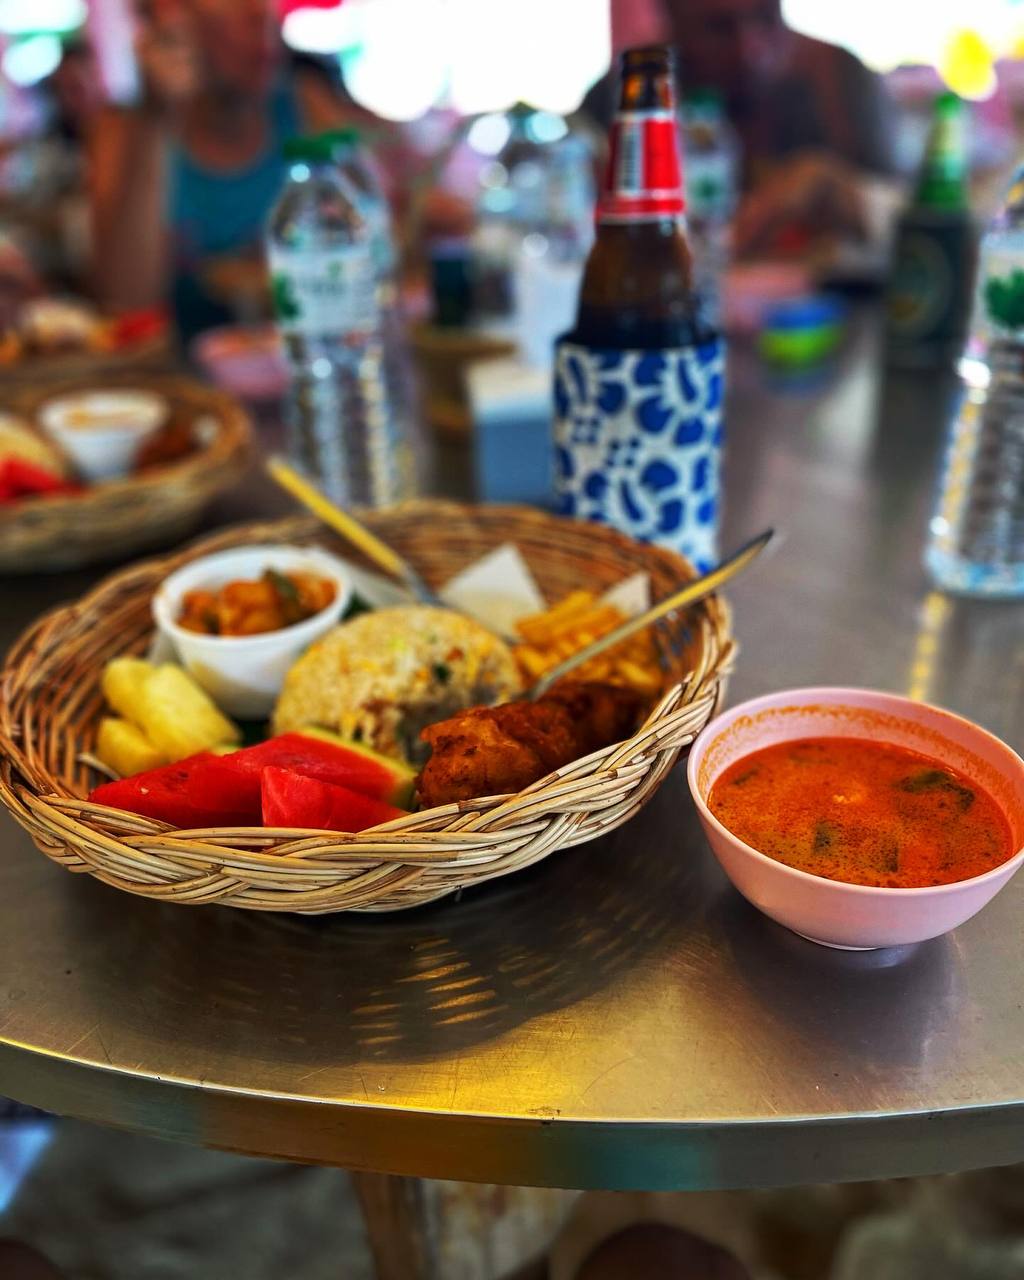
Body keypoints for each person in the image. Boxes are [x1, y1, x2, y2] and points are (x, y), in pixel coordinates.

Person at [89, 0, 356, 342]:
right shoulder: (126, 128)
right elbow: (126, 301)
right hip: (184, 368)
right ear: (170, 16)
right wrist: (156, 117)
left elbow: (377, 243)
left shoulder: (307, 106)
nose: (259, 13)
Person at [587, 0, 899, 259]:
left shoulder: (838, 78)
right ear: (672, 19)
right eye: (717, 28)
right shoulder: (628, 91)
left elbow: (908, 217)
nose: (749, 49)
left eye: (765, 17)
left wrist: (836, 187)